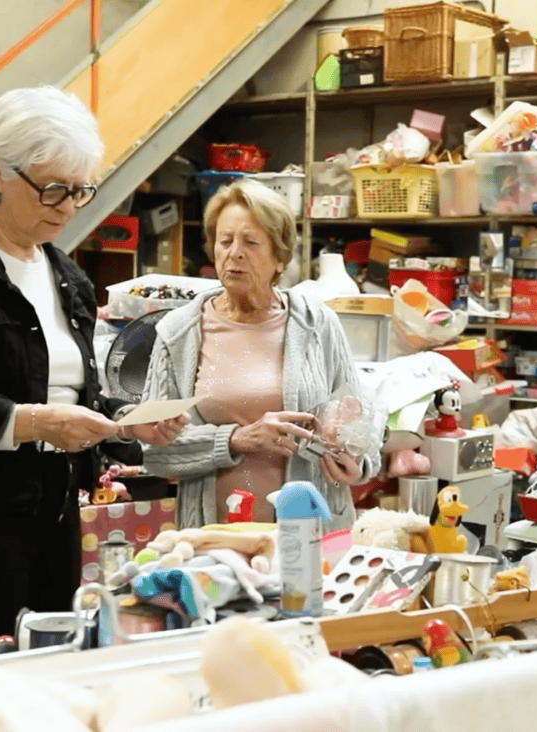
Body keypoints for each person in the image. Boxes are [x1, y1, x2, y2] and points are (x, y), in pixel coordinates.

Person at [0, 86, 188, 636]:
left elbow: (70, 397)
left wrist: (131, 424)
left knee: (47, 674)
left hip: (55, 516)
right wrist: (30, 422)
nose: (67, 207)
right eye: (52, 190)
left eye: (80, 190)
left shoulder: (67, 276)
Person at [141, 178, 380, 531]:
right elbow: (154, 453)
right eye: (225, 241)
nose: (234, 253)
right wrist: (237, 438)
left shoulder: (317, 323)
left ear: (280, 258)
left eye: (251, 242)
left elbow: (359, 417)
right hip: (214, 540)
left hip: (312, 535)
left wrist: (360, 462)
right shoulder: (177, 333)